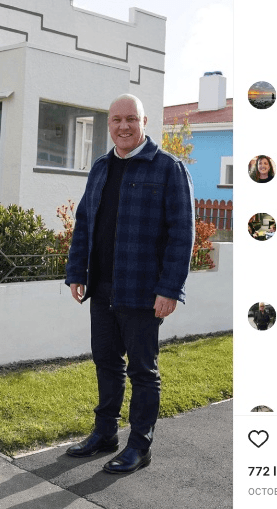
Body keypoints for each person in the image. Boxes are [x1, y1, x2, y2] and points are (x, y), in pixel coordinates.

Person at [65, 94, 195, 474]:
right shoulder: (101, 167)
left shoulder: (169, 168)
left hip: (142, 291)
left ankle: (140, 445)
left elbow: (182, 234)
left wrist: (169, 289)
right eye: (116, 120)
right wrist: (77, 271)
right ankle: (105, 433)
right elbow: (85, 223)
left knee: (142, 371)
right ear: (109, 124)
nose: (123, 126)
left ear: (144, 122)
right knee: (106, 362)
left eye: (131, 119)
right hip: (102, 288)